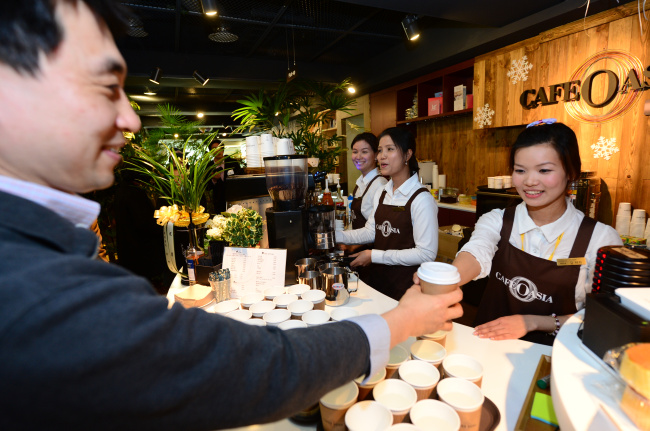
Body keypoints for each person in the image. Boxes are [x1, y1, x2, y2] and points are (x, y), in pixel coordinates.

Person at [0, 2, 463, 430]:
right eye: (106, 87)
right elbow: (239, 368)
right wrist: (400, 323)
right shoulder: (30, 283)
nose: (132, 119)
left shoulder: (37, 244)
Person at [421, 120, 622, 345]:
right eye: (520, 170)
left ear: (572, 172)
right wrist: (444, 280)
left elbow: (607, 317)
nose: (530, 181)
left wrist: (534, 322)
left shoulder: (601, 240)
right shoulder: (497, 219)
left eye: (544, 170)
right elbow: (477, 251)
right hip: (487, 344)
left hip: (555, 357)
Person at [336, 127, 438, 300]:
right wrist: (334, 236)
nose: (381, 156)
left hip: (405, 286)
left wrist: (374, 255)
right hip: (380, 280)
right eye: (380, 150)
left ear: (407, 155)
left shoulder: (421, 199)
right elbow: (371, 231)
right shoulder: (382, 192)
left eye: (390, 149)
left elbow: (426, 253)